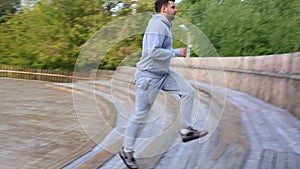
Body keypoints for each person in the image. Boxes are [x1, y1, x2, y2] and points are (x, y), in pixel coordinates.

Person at [119, 0, 208, 168]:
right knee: (140, 115)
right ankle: (126, 150)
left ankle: (186, 130)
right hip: (148, 77)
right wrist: (175, 52)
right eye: (173, 7)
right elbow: (152, 52)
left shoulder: (165, 26)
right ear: (164, 8)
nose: (176, 9)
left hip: (162, 74)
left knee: (188, 91)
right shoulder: (157, 25)